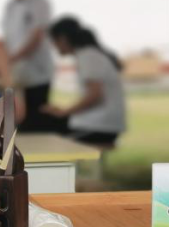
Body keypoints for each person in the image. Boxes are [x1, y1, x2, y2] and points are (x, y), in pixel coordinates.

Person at [42, 16, 126, 146]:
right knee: (48, 122)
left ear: (63, 39)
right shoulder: (90, 54)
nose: (53, 46)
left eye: (54, 41)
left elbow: (95, 96)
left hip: (100, 127)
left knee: (43, 127)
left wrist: (64, 111)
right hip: (102, 124)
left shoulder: (88, 56)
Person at [0, 0, 56, 131]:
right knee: (16, 121)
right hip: (16, 73)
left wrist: (12, 58)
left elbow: (37, 36)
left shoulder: (39, 2)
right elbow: (6, 37)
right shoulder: (10, 5)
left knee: (36, 121)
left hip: (37, 72)